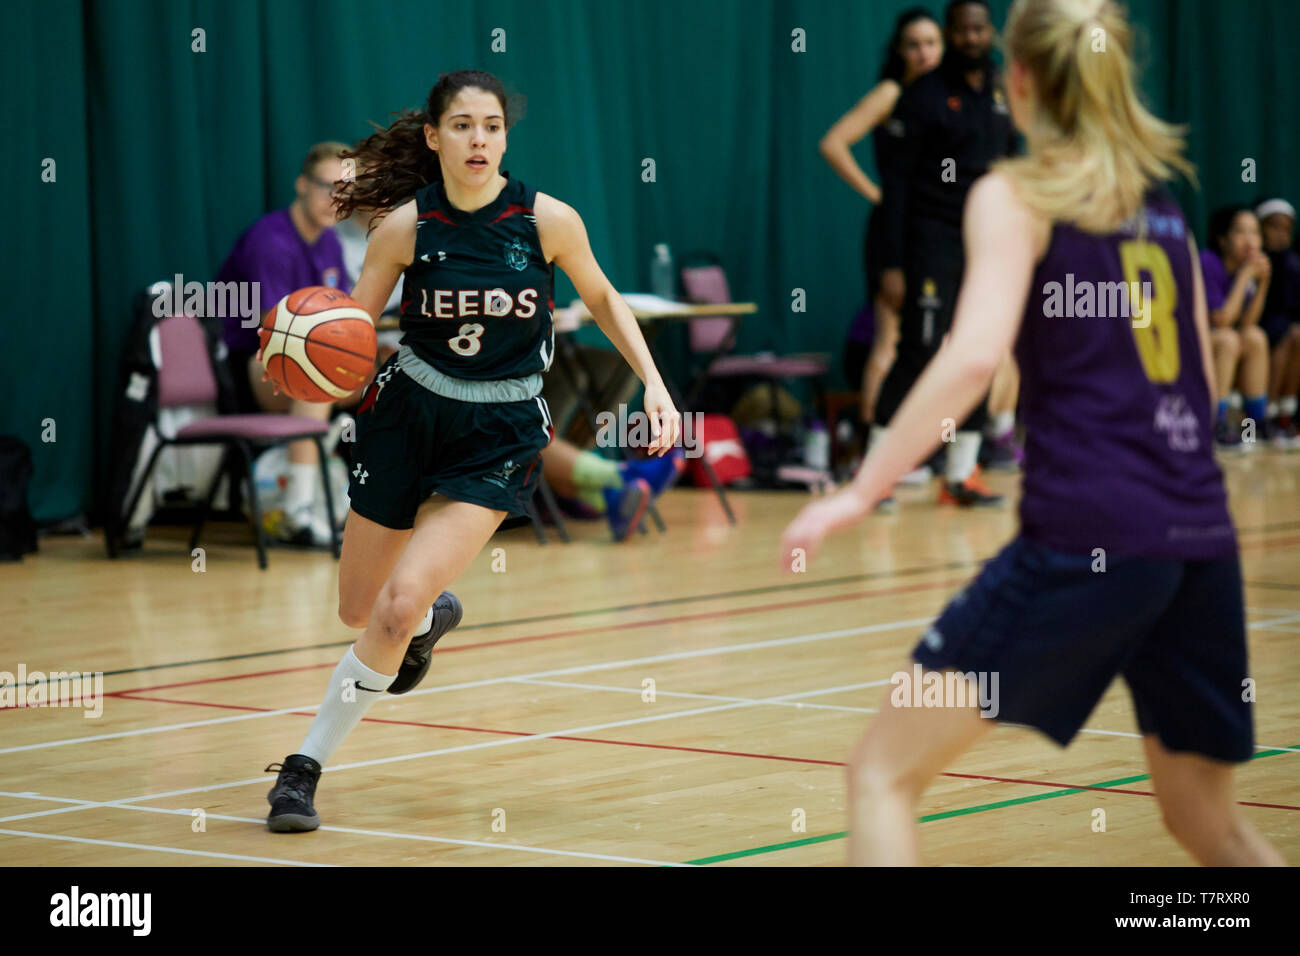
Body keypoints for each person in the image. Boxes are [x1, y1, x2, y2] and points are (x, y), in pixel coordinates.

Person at [781, 0, 1284, 867]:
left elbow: (972, 358)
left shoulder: (1015, 194)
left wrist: (862, 490)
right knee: (1213, 827)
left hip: (1089, 533)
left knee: (881, 776)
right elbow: (1197, 376)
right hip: (1200, 537)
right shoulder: (1159, 202)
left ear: (1018, 79)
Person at [263, 70, 681, 831]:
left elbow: (605, 299)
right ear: (434, 137)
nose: (478, 138)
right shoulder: (403, 228)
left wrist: (655, 384)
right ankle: (429, 622)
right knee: (356, 606)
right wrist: (302, 355)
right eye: (461, 125)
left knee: (388, 610)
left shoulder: (547, 220)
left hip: (499, 432)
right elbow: (350, 336)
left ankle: (302, 771)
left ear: (505, 139)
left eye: (491, 126)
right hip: (409, 413)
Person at [872, 0, 1020, 507]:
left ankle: (962, 474)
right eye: (962, 30)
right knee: (919, 350)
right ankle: (876, 475)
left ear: (990, 33)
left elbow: (1016, 167)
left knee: (980, 353)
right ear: (950, 34)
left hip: (989, 245)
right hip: (931, 241)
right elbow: (895, 187)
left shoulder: (1005, 93)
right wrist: (892, 263)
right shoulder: (923, 97)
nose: (972, 39)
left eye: (980, 29)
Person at [216, 141, 356, 545]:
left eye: (346, 190)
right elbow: (275, 328)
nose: (337, 199)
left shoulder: (330, 242)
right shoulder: (269, 240)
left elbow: (341, 318)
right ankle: (297, 512)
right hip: (249, 366)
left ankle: (385, 506)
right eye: (328, 186)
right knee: (313, 381)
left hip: (311, 360)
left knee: (389, 379)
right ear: (302, 185)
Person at [820, 8, 943, 429]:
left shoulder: (949, 100)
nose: (924, 53)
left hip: (936, 234)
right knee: (889, 339)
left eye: (931, 43)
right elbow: (833, 143)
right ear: (900, 51)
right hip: (895, 237)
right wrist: (878, 195)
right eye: (914, 45)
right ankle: (876, 446)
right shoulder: (891, 94)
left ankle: (929, 447)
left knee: (937, 343)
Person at [1200, 205, 1271, 449]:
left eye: (1255, 232)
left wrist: (1262, 284)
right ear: (1222, 239)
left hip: (1222, 343)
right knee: (1228, 338)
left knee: (1255, 337)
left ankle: (1256, 423)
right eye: (1241, 232)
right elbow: (1221, 319)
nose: (1250, 240)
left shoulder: (1245, 270)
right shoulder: (1208, 262)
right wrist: (1245, 277)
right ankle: (1215, 423)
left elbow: (1247, 323)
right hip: (1190, 346)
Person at [1255, 198, 1300, 446]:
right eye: (1274, 227)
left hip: (1285, 328)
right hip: (1258, 327)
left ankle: (1285, 414)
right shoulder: (1251, 261)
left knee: (1295, 334)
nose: (1281, 235)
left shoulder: (1292, 263)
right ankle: (1267, 415)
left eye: (1286, 229)